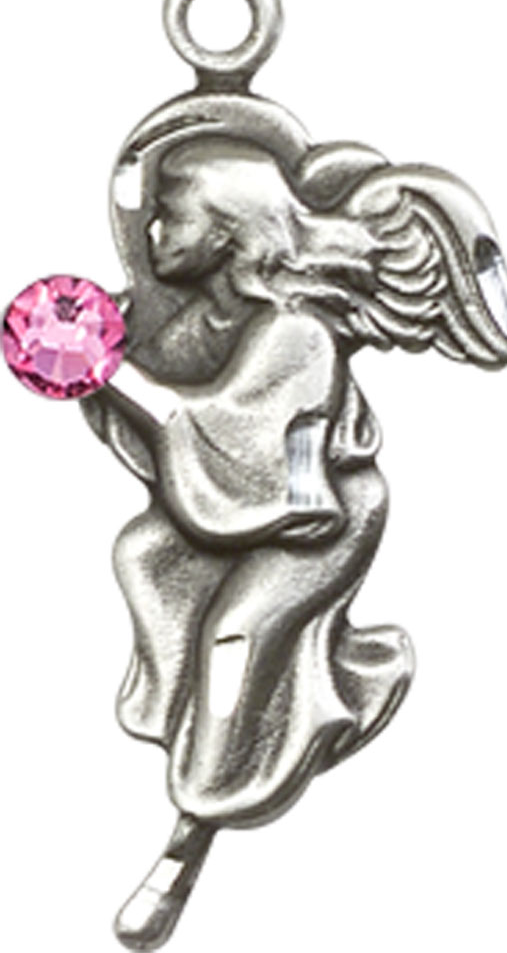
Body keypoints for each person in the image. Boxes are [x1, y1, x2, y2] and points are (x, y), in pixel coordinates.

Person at [83, 136, 413, 949]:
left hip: (319, 516)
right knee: (143, 555)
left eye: (172, 216)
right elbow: (163, 395)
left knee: (235, 637)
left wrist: (106, 372)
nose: (154, 234)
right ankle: (211, 732)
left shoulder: (298, 334)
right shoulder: (205, 318)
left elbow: (225, 434)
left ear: (227, 229)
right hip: (239, 510)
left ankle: (187, 837)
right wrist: (91, 353)